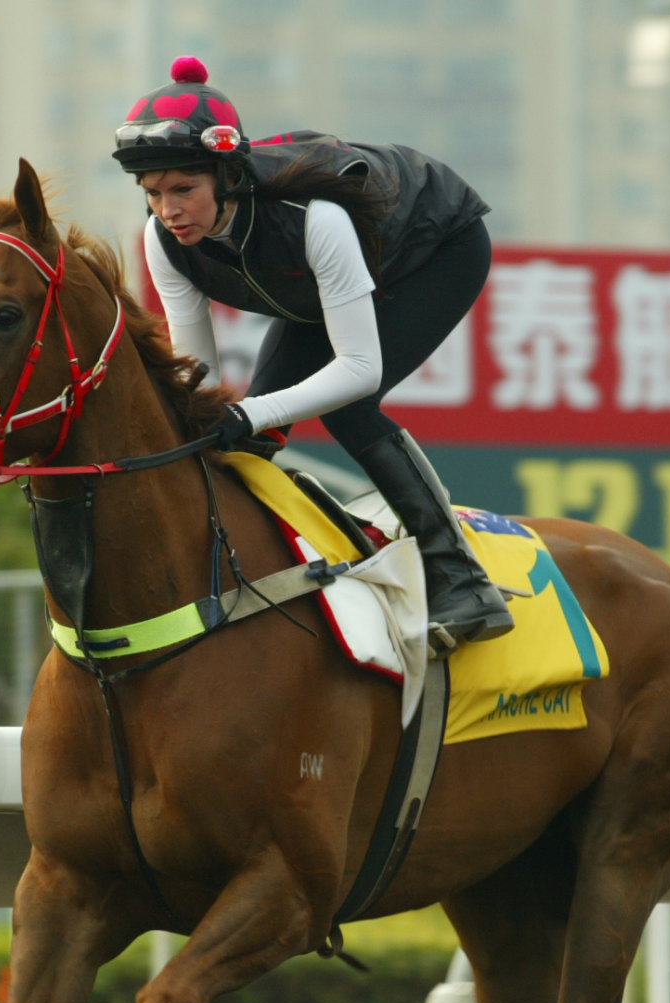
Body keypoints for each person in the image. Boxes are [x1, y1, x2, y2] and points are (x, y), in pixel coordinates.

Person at [113, 57, 513, 648]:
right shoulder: (162, 241)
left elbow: (359, 369)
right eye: (152, 193)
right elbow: (199, 380)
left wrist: (250, 411)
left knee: (347, 407)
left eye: (183, 190)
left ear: (226, 176)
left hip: (436, 249)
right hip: (325, 283)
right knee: (243, 437)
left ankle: (462, 579)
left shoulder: (314, 218)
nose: (168, 211)